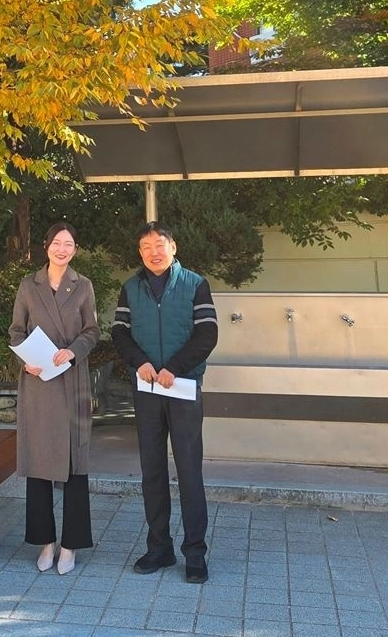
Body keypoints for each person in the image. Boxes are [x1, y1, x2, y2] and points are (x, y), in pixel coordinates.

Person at [111, 221, 218, 584]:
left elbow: (208, 333)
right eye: (145, 246)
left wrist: (175, 367)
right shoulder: (130, 288)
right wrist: (139, 362)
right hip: (147, 389)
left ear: (173, 247)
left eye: (159, 244)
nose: (153, 251)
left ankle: (195, 553)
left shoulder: (194, 284)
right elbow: (119, 333)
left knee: (189, 471)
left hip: (183, 387)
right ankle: (159, 547)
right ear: (140, 252)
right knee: (152, 470)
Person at [8, 222, 100, 575]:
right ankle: (46, 542)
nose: (63, 249)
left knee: (75, 464)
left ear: (75, 249)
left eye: (70, 244)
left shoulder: (84, 286)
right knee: (40, 462)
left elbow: (92, 330)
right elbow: (17, 329)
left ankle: (71, 545)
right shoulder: (28, 285)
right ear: (45, 247)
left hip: (71, 379)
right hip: (39, 381)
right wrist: (26, 359)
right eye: (57, 243)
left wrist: (73, 351)